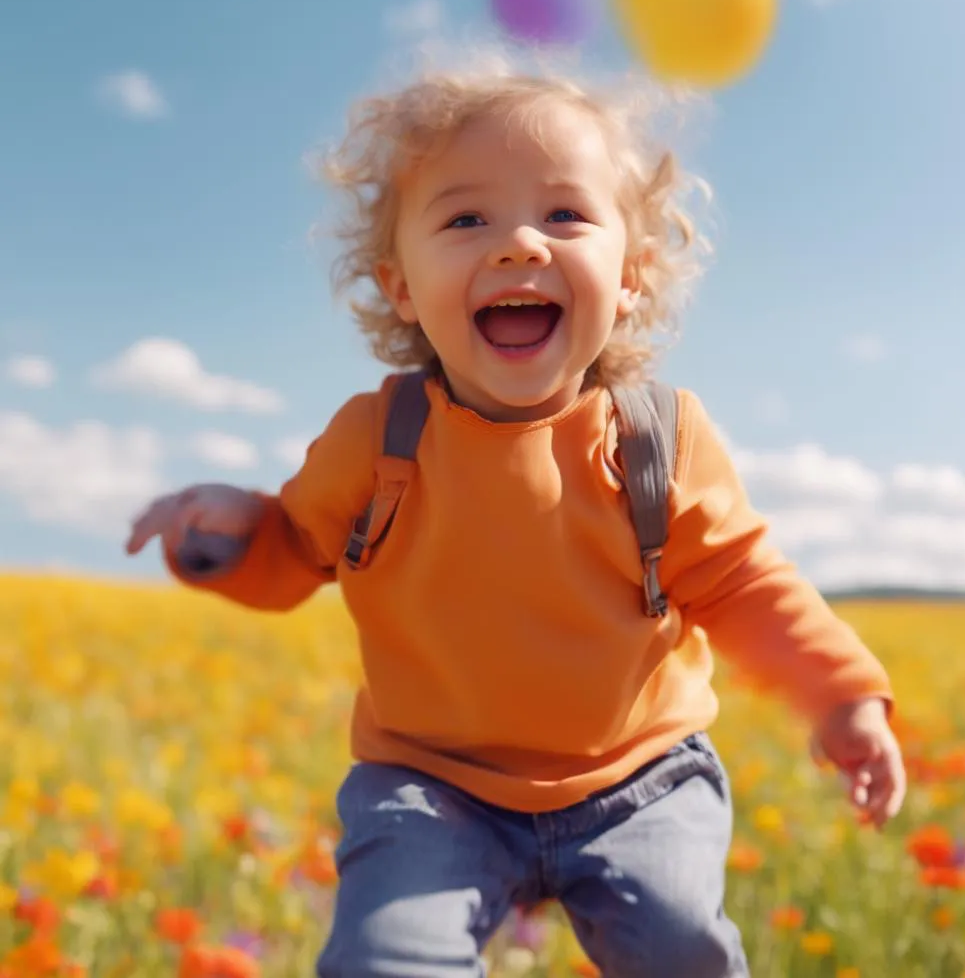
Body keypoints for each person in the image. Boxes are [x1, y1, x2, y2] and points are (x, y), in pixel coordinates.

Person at [126, 67, 906, 978]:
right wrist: (228, 535)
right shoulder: (378, 441)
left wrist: (843, 693)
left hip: (638, 776)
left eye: (566, 216)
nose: (519, 245)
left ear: (630, 279)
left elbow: (744, 583)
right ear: (402, 287)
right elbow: (293, 551)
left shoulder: (658, 440)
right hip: (428, 782)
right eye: (466, 220)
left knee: (682, 951)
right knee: (386, 959)